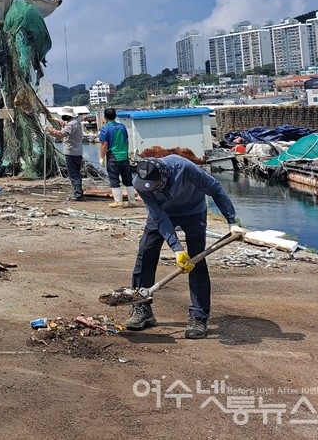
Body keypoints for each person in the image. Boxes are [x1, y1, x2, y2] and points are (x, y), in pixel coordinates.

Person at [126, 155, 241, 340]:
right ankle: (141, 307)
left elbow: (215, 189)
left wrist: (231, 221)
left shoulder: (184, 168)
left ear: (163, 177)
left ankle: (198, 317)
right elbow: (158, 217)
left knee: (197, 260)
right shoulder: (140, 183)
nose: (152, 190)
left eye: (155, 186)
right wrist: (177, 249)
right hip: (163, 213)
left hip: (193, 211)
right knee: (146, 253)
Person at [98, 107, 137, 207]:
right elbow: (127, 141)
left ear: (105, 117)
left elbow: (104, 144)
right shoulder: (122, 126)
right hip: (124, 156)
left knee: (114, 179)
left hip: (113, 156)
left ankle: (118, 202)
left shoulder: (105, 128)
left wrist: (102, 157)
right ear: (115, 116)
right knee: (128, 179)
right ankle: (132, 201)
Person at [47, 107, 83, 201]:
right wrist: (55, 120)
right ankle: (78, 191)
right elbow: (65, 124)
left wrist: (50, 130)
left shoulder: (71, 125)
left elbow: (61, 134)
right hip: (77, 152)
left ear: (67, 116)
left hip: (71, 152)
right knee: (76, 173)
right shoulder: (76, 122)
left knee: (73, 174)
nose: (62, 117)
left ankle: (78, 194)